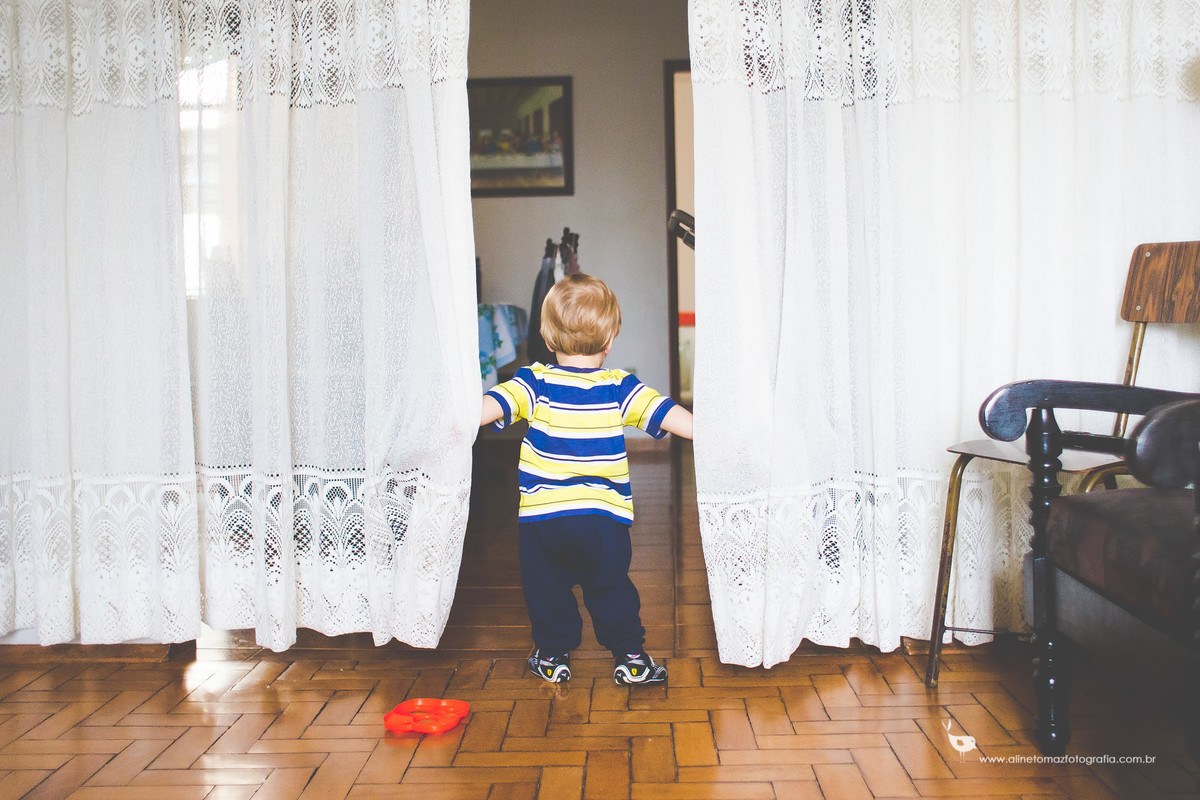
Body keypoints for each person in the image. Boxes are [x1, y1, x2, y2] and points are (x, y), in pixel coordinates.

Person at [481, 273, 693, 686]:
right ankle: (630, 657)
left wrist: (444, 417)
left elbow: (488, 407)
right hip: (602, 518)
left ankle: (553, 654)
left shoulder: (534, 380)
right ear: (611, 338)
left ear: (547, 337)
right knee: (610, 586)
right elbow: (669, 414)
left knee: (547, 589)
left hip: (544, 518)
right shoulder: (618, 386)